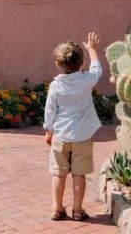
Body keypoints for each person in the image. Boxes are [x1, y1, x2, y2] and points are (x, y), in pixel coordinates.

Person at [44, 32, 102, 221]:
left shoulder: (55, 86)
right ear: (81, 64)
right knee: (79, 174)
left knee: (58, 174)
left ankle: (56, 208)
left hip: (61, 136)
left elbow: (50, 110)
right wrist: (92, 49)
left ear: (58, 64)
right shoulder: (86, 81)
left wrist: (48, 130)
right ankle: (77, 210)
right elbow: (97, 69)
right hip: (83, 136)